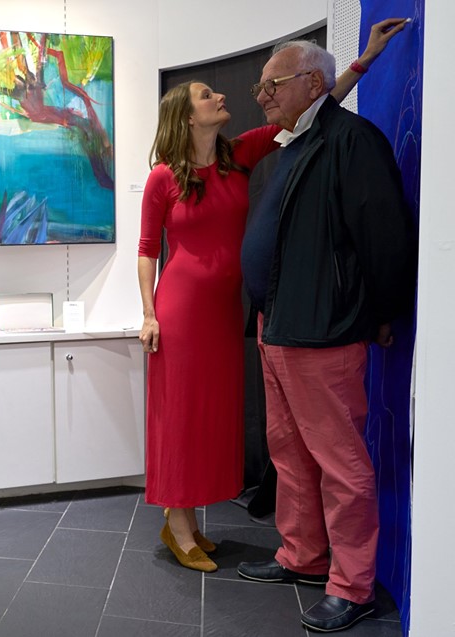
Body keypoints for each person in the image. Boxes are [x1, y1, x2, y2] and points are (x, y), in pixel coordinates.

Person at [137, 19, 407, 574]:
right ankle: (178, 522)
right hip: (180, 313)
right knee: (179, 417)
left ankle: (190, 518)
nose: (222, 97)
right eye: (207, 95)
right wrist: (148, 314)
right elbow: (147, 250)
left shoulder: (239, 155)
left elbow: (316, 105)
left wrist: (364, 60)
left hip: (225, 313)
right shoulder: (163, 178)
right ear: (186, 117)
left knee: (211, 416)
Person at [235, 36, 417, 633]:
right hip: (278, 325)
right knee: (289, 454)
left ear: (312, 83)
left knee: (340, 464)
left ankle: (352, 584)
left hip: (323, 331)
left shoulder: (352, 140)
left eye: (272, 84)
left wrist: (382, 312)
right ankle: (303, 555)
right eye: (260, 85)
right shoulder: (298, 139)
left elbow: (384, 237)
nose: (262, 95)